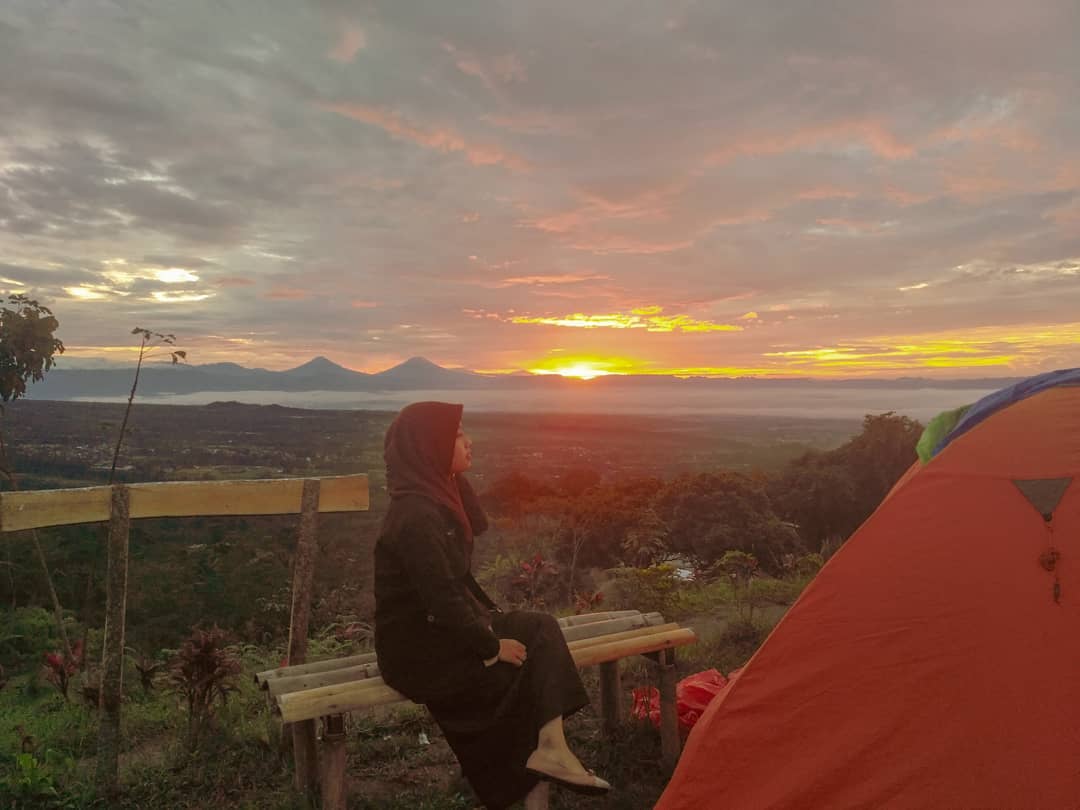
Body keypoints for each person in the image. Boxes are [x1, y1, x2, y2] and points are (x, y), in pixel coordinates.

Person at [374, 401, 611, 809]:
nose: (470, 441)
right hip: (419, 652)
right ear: (431, 445)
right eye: (458, 435)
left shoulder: (431, 498)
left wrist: (447, 474)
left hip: (445, 630)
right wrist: (489, 647)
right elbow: (443, 597)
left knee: (541, 628)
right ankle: (528, 780)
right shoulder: (415, 516)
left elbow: (477, 525)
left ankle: (553, 748)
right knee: (522, 685)